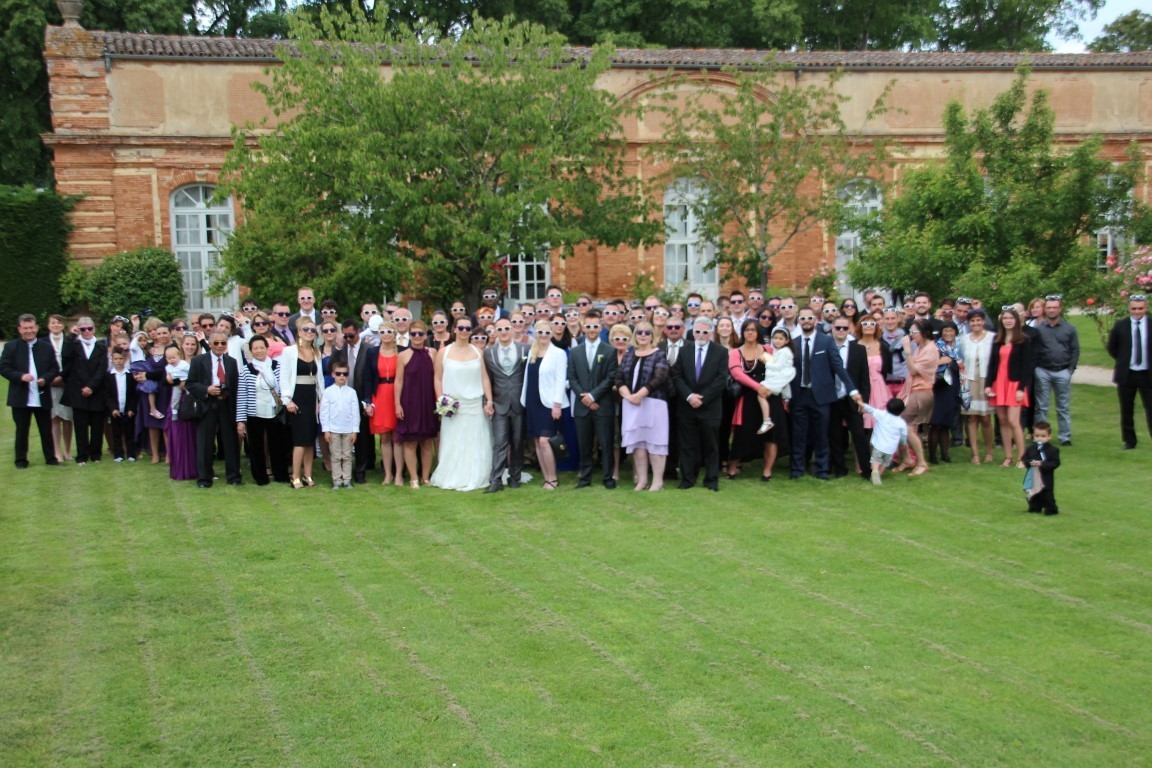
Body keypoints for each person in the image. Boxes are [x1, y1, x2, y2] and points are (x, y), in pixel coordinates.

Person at [790, 308, 862, 480]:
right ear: (798, 320)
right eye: (803, 318)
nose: (806, 321)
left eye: (809, 318)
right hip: (799, 395)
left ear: (815, 320)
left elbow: (838, 367)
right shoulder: (793, 342)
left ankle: (822, 469)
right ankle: (797, 470)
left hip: (821, 396)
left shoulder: (826, 342)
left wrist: (852, 390)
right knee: (799, 435)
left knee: (821, 434)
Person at [429, 317, 495, 491]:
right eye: (461, 328)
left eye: (468, 328)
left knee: (476, 441)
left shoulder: (477, 351)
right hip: (453, 406)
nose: (464, 331)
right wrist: (441, 400)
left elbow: (484, 377)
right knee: (454, 441)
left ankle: (477, 474)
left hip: (474, 404)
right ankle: (453, 474)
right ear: (454, 330)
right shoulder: (444, 352)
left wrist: (489, 400)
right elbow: (437, 378)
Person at [728, 322, 793, 481]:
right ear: (742, 333)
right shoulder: (736, 352)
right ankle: (732, 467)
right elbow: (737, 374)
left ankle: (767, 471)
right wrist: (758, 387)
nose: (750, 332)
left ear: (758, 332)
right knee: (743, 434)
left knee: (772, 436)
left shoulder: (768, 350)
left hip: (771, 396)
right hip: (749, 397)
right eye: (746, 330)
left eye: (753, 330)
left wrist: (772, 387)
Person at [672, 317, 728, 491]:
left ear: (711, 332)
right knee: (688, 445)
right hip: (687, 406)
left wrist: (702, 398)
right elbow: (677, 376)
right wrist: (689, 396)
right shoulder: (684, 351)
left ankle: (711, 480)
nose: (701, 335)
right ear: (693, 332)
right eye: (698, 332)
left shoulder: (720, 352)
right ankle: (688, 479)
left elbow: (721, 378)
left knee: (711, 445)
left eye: (705, 332)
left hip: (710, 407)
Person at [616, 320, 670, 491]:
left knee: (655, 444)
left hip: (654, 403)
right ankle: (642, 480)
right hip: (632, 404)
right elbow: (618, 379)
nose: (643, 335)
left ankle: (658, 481)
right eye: (639, 332)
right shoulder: (629, 354)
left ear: (652, 335)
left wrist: (640, 394)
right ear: (635, 335)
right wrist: (629, 396)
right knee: (638, 445)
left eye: (647, 332)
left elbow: (659, 377)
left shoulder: (659, 354)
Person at [1, 314, 61, 468]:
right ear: (19, 329)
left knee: (46, 429)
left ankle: (51, 458)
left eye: (31, 328)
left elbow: (54, 368)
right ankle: (21, 460)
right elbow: (4, 368)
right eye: (25, 328)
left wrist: (45, 379)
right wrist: (21, 376)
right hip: (21, 396)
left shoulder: (46, 347)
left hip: (41, 394)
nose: (29, 331)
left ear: (37, 328)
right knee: (21, 429)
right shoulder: (11, 347)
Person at [566, 311, 618, 489]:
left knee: (606, 443)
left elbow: (610, 377)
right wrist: (585, 398)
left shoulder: (609, 351)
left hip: (602, 405)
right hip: (582, 406)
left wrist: (593, 396)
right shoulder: (575, 351)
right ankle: (585, 477)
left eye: (595, 326)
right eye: (588, 326)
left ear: (601, 327)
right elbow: (572, 378)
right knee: (584, 444)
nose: (591, 330)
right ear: (583, 327)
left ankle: (608, 477)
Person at [185, 330, 242, 488]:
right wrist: (206, 389)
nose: (219, 346)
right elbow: (190, 383)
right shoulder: (198, 361)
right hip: (207, 404)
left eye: (223, 343)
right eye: (216, 343)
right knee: (205, 442)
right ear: (209, 344)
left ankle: (234, 476)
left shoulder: (231, 362)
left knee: (230, 442)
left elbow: (235, 386)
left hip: (226, 404)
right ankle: (204, 478)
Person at [236, 335, 290, 485]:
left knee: (278, 445)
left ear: (267, 348)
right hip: (255, 412)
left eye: (261, 347)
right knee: (256, 447)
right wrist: (240, 420)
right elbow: (242, 396)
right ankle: (260, 477)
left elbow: (284, 388)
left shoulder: (278, 366)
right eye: (255, 348)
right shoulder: (246, 370)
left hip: (275, 411)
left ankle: (281, 475)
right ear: (251, 351)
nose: (259, 351)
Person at [483, 317, 530, 493]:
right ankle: (495, 480)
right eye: (499, 329)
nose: (503, 332)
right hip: (499, 403)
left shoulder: (525, 348)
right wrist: (487, 401)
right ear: (495, 332)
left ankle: (515, 477)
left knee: (518, 443)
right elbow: (486, 378)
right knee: (500, 443)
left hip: (520, 403)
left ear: (512, 330)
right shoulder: (489, 353)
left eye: (506, 328)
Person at [521, 319, 568, 491]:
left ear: (551, 334)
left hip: (549, 403)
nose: (543, 335)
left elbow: (560, 380)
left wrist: (557, 404)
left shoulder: (558, 353)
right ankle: (546, 477)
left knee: (544, 441)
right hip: (533, 402)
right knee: (536, 441)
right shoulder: (532, 352)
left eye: (547, 332)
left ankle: (553, 478)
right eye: (540, 332)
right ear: (535, 333)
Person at [985, 307, 1033, 468]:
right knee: (1003, 421)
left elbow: (1027, 366)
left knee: (1014, 421)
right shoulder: (997, 340)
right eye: (1005, 318)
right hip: (998, 383)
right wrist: (987, 385)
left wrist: (1021, 388)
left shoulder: (1024, 340)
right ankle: (1008, 457)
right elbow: (992, 364)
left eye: (1010, 318)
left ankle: (1022, 457)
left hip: (1014, 384)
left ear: (1016, 320)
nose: (1007, 321)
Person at [394, 320, 438, 487]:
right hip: (409, 402)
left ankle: (425, 477)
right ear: (409, 336)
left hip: (428, 402)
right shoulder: (403, 355)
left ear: (426, 335)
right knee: (410, 441)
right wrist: (397, 404)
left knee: (427, 441)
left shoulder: (433, 353)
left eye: (420, 333)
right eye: (413, 334)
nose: (417, 337)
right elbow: (398, 382)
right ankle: (413, 477)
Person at [827, 317, 871, 480]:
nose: (841, 331)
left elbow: (864, 378)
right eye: (837, 328)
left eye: (844, 328)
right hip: (832, 398)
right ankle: (839, 469)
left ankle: (866, 470)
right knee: (835, 436)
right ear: (832, 328)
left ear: (849, 330)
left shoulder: (858, 350)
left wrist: (863, 401)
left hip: (852, 399)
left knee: (859, 435)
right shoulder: (826, 347)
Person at [893, 320, 939, 476]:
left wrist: (906, 352)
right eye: (910, 332)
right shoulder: (921, 347)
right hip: (913, 391)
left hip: (921, 392)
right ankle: (907, 459)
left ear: (924, 332)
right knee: (902, 427)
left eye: (914, 333)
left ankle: (921, 462)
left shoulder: (931, 349)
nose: (911, 336)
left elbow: (913, 371)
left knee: (908, 428)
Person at [1031, 295, 1079, 446]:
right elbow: (1033, 350)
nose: (1051, 310)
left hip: (1063, 370)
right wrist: (1036, 368)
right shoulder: (1038, 329)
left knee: (1063, 406)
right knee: (1042, 406)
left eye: (1054, 307)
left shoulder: (1069, 329)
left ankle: (1065, 437)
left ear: (1060, 309)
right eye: (1049, 307)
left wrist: (1070, 370)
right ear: (1045, 309)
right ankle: (1040, 436)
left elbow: (1075, 350)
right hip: (1043, 370)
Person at [280, 318, 322, 488]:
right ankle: (295, 476)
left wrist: (321, 399)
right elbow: (284, 377)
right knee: (300, 439)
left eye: (313, 330)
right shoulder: (289, 351)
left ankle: (308, 475)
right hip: (297, 397)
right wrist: (287, 400)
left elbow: (319, 380)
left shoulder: (316, 352)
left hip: (312, 396)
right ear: (299, 331)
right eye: (306, 329)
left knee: (310, 439)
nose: (309, 332)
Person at [61, 316, 108, 465]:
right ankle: (82, 455)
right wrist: (72, 335)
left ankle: (96, 454)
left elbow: (102, 369)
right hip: (78, 390)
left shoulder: (101, 346)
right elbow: (65, 355)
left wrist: (91, 386)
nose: (86, 331)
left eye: (89, 328)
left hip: (96, 390)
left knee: (97, 426)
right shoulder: (74, 345)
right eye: (83, 329)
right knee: (80, 426)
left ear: (94, 329)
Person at [1107, 293, 1151, 450]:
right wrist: (1124, 360)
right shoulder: (1121, 325)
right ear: (1129, 309)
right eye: (1134, 308)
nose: (1137, 312)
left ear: (1146, 308)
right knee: (1126, 409)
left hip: (1147, 374)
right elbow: (1112, 347)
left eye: (1140, 308)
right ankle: (1129, 441)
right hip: (1127, 373)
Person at [958, 309, 995, 464]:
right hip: (969, 380)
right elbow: (959, 360)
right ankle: (974, 453)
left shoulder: (992, 338)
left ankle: (988, 451)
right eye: (972, 321)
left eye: (978, 320)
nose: (975, 323)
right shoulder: (964, 340)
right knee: (971, 417)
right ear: (969, 323)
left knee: (985, 417)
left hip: (986, 380)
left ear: (983, 321)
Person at [320, 361, 360, 489]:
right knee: (336, 456)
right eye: (338, 373)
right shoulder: (328, 392)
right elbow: (324, 412)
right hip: (333, 429)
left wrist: (355, 430)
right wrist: (326, 430)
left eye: (344, 374)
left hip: (348, 429)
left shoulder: (352, 392)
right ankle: (336, 480)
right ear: (333, 374)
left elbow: (355, 412)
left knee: (347, 456)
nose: (342, 376)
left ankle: (347, 480)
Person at [927, 321, 963, 464]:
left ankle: (945, 454)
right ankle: (932, 456)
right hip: (940, 387)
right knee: (936, 423)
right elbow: (926, 364)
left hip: (953, 386)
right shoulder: (936, 347)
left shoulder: (958, 348)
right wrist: (940, 362)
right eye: (945, 330)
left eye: (951, 330)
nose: (948, 333)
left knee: (947, 423)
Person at [163, 340, 198, 481]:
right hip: (178, 402)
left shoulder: (199, 360)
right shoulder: (172, 364)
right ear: (181, 346)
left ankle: (194, 468)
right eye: (187, 344)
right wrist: (173, 380)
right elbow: (164, 381)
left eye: (193, 344)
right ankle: (180, 469)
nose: (190, 347)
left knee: (194, 436)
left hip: (192, 403)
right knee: (178, 436)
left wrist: (187, 383)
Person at [44, 314, 73, 462]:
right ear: (48, 326)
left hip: (66, 383)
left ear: (63, 325)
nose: (56, 325)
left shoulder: (70, 341)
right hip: (51, 384)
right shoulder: (43, 342)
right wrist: (52, 378)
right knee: (54, 418)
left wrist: (62, 377)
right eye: (53, 323)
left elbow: (72, 362)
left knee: (67, 419)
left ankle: (68, 451)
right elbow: (42, 363)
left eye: (58, 323)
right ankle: (57, 451)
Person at [861, 398, 909, 486]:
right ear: (902, 410)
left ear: (887, 407)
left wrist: (860, 403)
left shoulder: (882, 414)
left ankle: (874, 471)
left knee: (875, 460)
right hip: (890, 449)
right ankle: (878, 475)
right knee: (885, 463)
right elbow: (903, 437)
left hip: (879, 445)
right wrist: (903, 443)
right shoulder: (901, 423)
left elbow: (870, 409)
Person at [103, 348, 138, 462]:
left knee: (129, 432)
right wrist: (112, 409)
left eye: (121, 358)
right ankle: (118, 454)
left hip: (128, 409)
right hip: (115, 410)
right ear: (112, 360)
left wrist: (131, 408)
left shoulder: (130, 375)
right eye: (116, 359)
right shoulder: (109, 376)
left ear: (125, 359)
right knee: (116, 433)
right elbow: (108, 394)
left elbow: (133, 394)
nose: (118, 361)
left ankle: (131, 454)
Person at [1022, 421, 1061, 516]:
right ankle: (1034, 508)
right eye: (1037, 436)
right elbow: (1024, 458)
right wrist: (1029, 462)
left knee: (1047, 494)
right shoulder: (1030, 448)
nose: (1040, 438)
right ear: (1033, 436)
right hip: (1033, 475)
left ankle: (1051, 510)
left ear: (1049, 437)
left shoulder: (1053, 450)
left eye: (1043, 436)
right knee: (1034, 493)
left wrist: (1042, 464)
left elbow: (1055, 462)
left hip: (1046, 477)